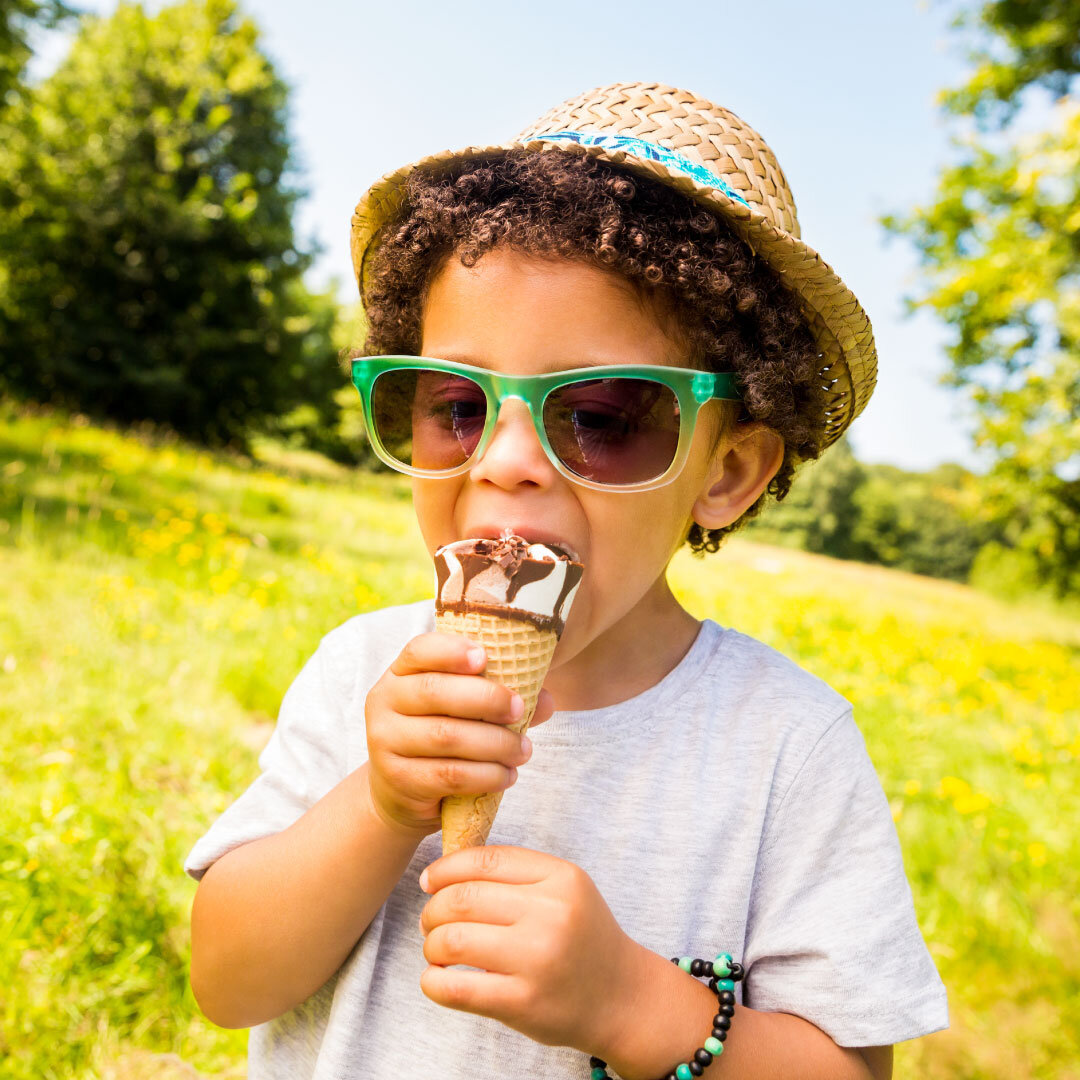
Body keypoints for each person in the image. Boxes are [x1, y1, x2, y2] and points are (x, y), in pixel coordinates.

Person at [183, 81, 948, 1080]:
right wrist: (379, 802)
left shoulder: (788, 752)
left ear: (725, 473)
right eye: (455, 403)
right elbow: (227, 981)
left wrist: (635, 1005)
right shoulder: (361, 673)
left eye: (603, 415)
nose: (504, 461)